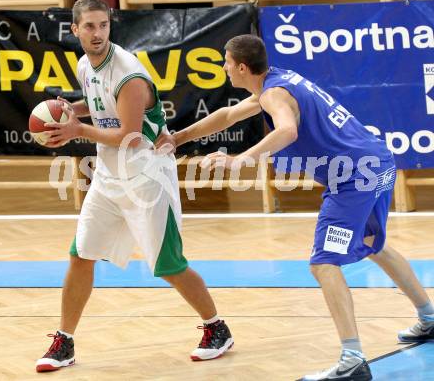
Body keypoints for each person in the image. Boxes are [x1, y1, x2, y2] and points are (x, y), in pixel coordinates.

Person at [155, 34, 434, 381]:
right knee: (372, 245)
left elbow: (286, 131)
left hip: (353, 179)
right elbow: (228, 115)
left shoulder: (273, 94)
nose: (225, 68)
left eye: (227, 62)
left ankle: (352, 359)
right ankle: (428, 318)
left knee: (324, 262)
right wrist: (178, 138)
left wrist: (240, 160)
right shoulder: (276, 82)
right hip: (378, 163)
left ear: (242, 67)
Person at [35, 0, 233, 373]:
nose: (97, 33)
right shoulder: (84, 65)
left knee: (168, 264)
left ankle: (216, 327)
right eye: (89, 26)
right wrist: (67, 111)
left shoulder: (129, 72)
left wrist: (76, 130)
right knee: (81, 255)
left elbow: (129, 134)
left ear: (110, 27)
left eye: (103, 25)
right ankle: (65, 340)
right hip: (109, 176)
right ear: (74, 29)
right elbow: (99, 106)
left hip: (146, 175)